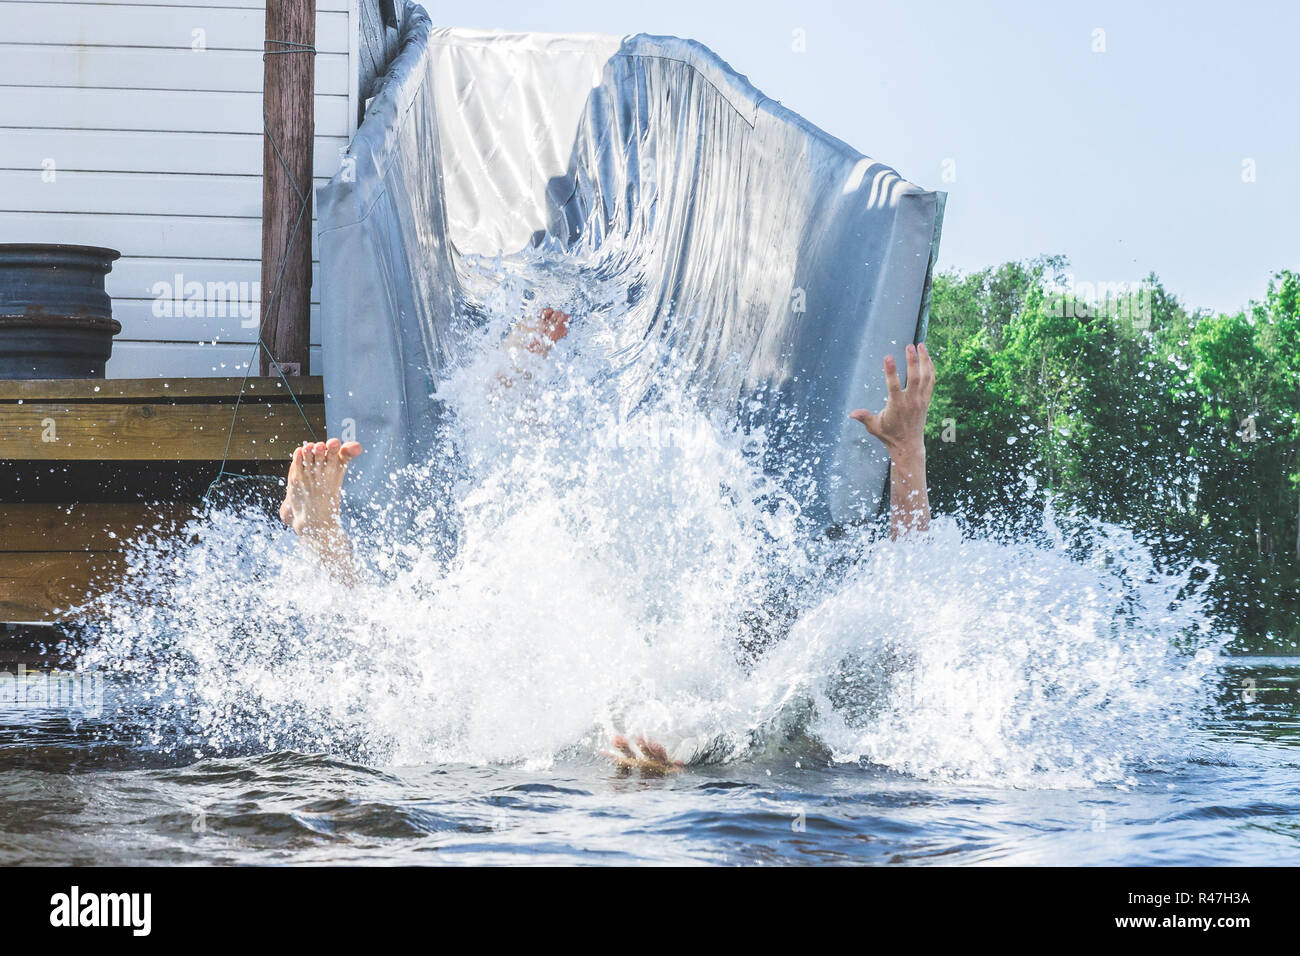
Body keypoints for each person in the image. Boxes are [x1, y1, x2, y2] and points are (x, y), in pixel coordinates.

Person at [278, 308, 936, 773]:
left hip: (666, 754)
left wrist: (906, 451)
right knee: (444, 671)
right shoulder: (648, 651)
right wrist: (907, 456)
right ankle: (328, 535)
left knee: (434, 692)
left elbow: (905, 617)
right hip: (605, 726)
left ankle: (326, 542)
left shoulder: (811, 698)